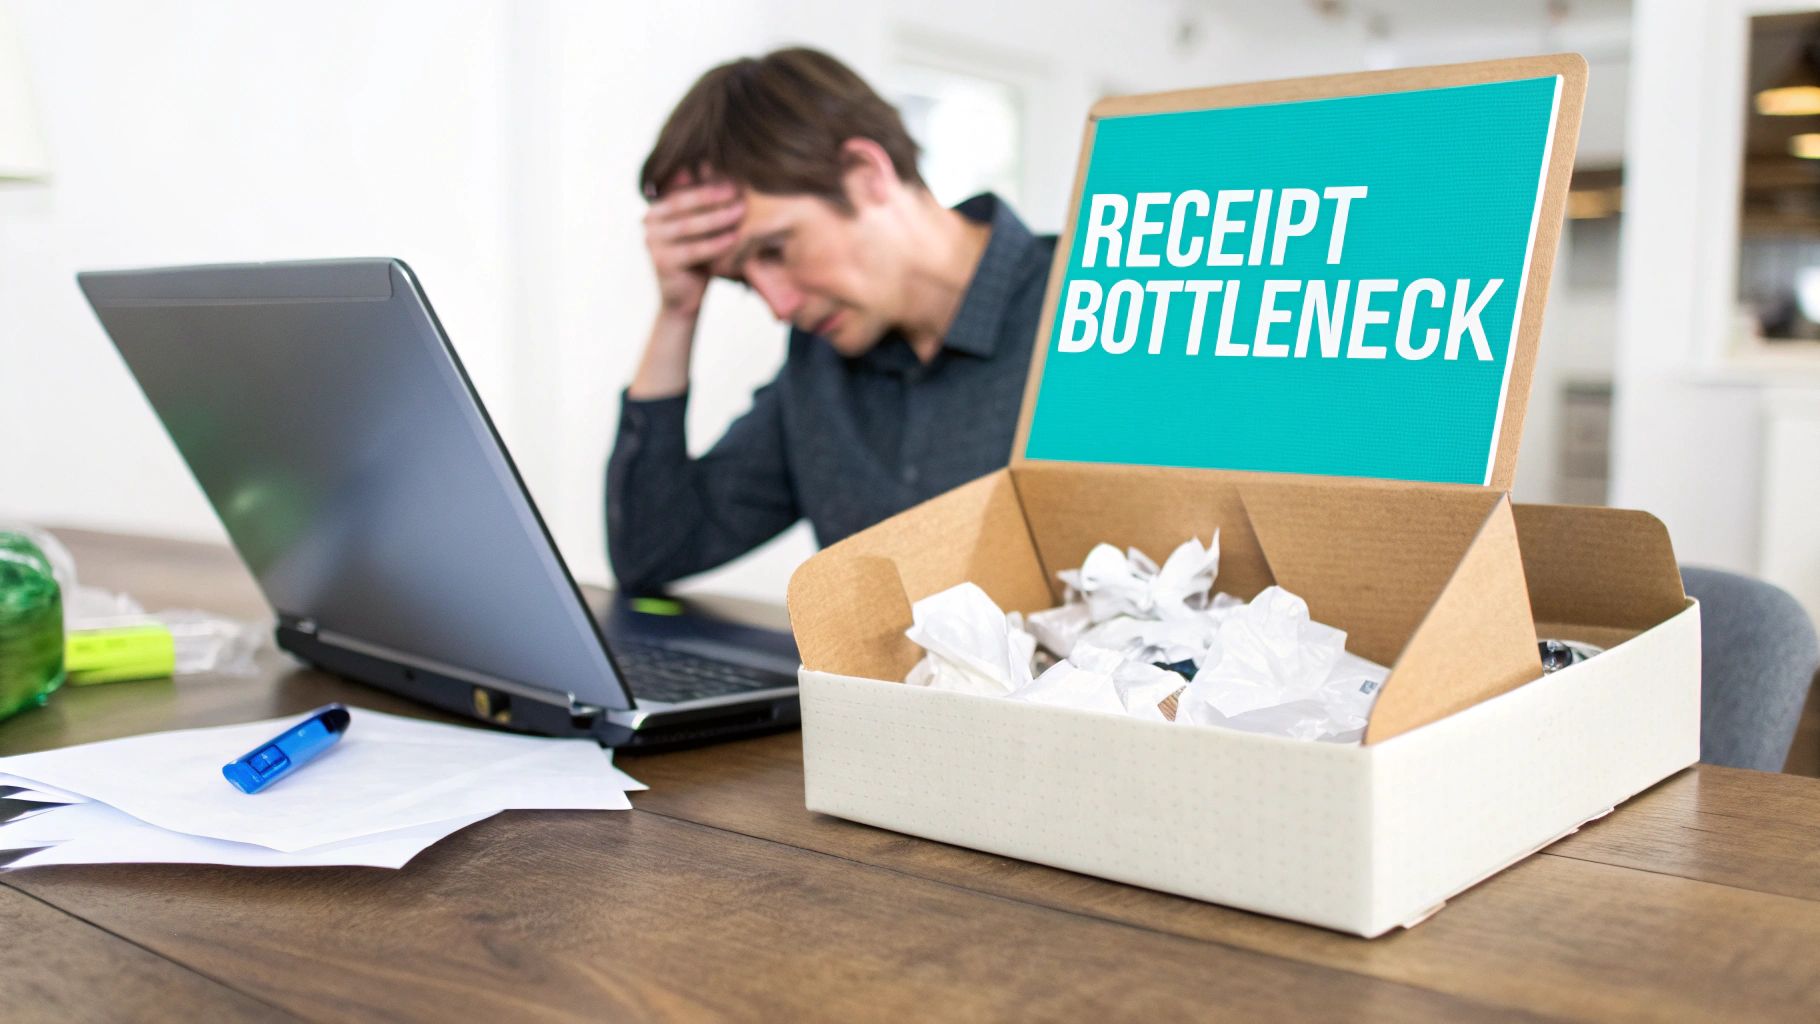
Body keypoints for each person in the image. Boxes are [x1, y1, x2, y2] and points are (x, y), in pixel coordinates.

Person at [607, 47, 1055, 593]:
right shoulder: (820, 362)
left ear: (866, 175)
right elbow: (650, 552)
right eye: (744, 281)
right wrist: (678, 312)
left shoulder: (1094, 313)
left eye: (775, 249)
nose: (779, 306)